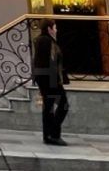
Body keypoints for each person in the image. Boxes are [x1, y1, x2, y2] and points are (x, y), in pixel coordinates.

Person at [32, 18, 70, 146]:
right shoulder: (46, 41)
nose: (56, 30)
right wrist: (56, 81)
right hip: (49, 79)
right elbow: (49, 62)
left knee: (49, 107)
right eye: (55, 27)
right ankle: (53, 134)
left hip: (46, 79)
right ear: (49, 29)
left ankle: (49, 135)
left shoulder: (43, 40)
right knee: (63, 105)